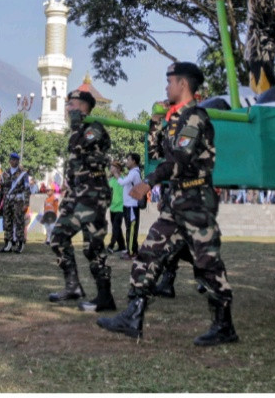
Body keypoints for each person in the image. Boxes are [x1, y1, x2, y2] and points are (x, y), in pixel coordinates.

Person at [97, 62, 238, 346]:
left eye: (170, 82)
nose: (166, 87)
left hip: (196, 201)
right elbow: (158, 153)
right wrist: (155, 124)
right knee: (149, 253)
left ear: (183, 85)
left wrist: (149, 181)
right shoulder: (176, 120)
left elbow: (181, 161)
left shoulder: (196, 118)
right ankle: (133, 315)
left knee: (208, 264)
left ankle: (224, 325)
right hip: (177, 200)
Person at [48, 90, 115, 313]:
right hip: (76, 194)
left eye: (72, 105)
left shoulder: (94, 128)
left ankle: (105, 297)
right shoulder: (75, 132)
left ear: (84, 107)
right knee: (57, 237)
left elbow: (82, 147)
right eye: (68, 106)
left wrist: (78, 124)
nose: (68, 109)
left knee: (93, 246)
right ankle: (73, 286)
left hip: (93, 193)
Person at [0, 155, 33, 253]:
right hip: (7, 201)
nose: (14, 161)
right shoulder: (5, 173)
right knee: (7, 222)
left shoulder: (23, 174)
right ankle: (8, 244)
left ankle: (20, 244)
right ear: (9, 161)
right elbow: (1, 189)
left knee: (19, 222)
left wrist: (26, 203)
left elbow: (26, 189)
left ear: (18, 161)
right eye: (12, 160)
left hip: (18, 201)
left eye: (16, 160)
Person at [118, 153, 143, 258]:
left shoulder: (134, 173)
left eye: (128, 160)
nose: (126, 162)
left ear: (133, 161)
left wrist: (116, 174)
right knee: (129, 228)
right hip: (129, 205)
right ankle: (131, 249)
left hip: (132, 205)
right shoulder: (132, 172)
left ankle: (131, 252)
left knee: (131, 229)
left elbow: (122, 182)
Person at [107, 162, 126, 253]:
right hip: (112, 208)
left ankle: (111, 245)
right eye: (110, 167)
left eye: (112, 167)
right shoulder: (111, 180)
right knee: (117, 228)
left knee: (115, 227)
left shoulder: (123, 179)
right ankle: (122, 246)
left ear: (118, 169)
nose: (111, 168)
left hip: (121, 208)